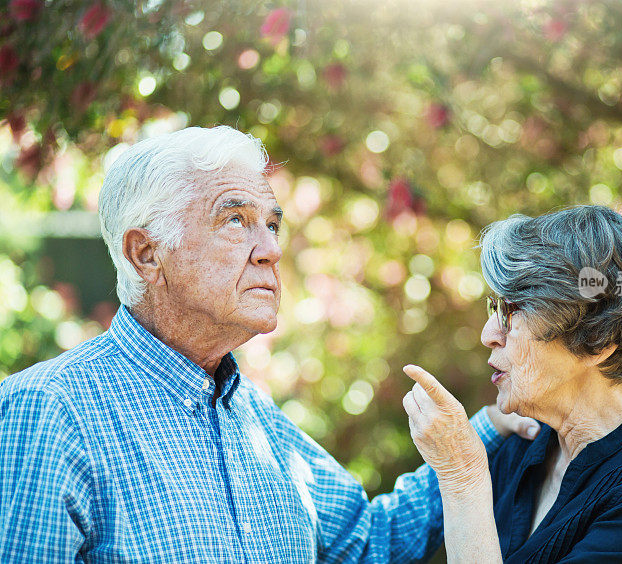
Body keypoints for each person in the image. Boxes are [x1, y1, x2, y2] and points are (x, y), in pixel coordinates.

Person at [0, 126, 537, 562]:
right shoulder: (48, 412)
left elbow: (371, 540)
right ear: (146, 254)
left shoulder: (253, 417)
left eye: (272, 225)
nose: (270, 251)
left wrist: (480, 435)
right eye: (235, 220)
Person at [403, 207, 622, 562]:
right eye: (495, 306)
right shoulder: (521, 442)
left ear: (598, 341)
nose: (489, 334)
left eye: (512, 310)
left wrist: (463, 477)